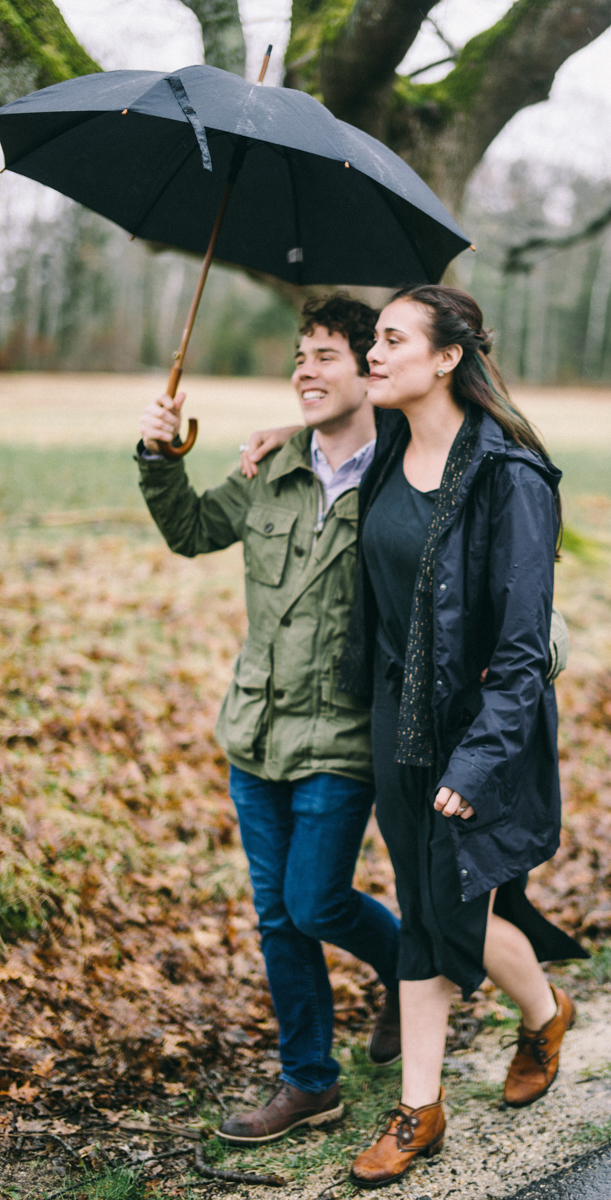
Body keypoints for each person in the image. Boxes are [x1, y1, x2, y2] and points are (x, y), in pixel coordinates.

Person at [337, 284, 587, 1188]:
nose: (374, 351)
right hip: (398, 726)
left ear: (446, 358)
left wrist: (478, 760)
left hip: (484, 732)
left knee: (449, 911)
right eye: (373, 339)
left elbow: (522, 653)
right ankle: (540, 1013)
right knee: (435, 910)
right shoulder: (385, 456)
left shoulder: (511, 479)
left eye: (391, 339)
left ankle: (422, 1107)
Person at [136, 294, 401, 1146]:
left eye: (326, 355)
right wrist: (158, 453)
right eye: (299, 354)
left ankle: (408, 966)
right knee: (277, 915)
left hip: (342, 737)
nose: (304, 369)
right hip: (254, 734)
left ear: (370, 370)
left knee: (316, 901)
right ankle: (308, 1081)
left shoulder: (404, 480)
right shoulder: (271, 472)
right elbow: (188, 529)